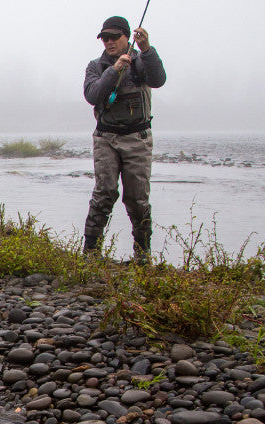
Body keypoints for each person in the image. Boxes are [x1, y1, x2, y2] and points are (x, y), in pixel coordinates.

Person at [83, 15, 166, 263]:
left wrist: (147, 49)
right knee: (104, 193)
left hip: (137, 138)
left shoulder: (141, 61)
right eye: (104, 38)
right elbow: (92, 95)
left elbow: (158, 80)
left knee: (137, 199)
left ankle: (142, 256)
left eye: (114, 37)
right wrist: (114, 70)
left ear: (127, 37)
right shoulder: (95, 67)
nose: (109, 42)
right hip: (105, 138)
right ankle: (90, 254)